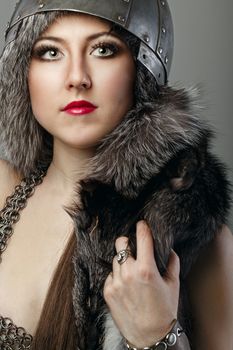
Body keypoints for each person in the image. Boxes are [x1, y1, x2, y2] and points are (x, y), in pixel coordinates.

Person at [0, 1, 232, 349]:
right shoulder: (3, 186)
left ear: (142, 70)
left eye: (103, 49)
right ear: (22, 71)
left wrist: (156, 334)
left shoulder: (194, 238)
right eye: (50, 52)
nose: (77, 77)